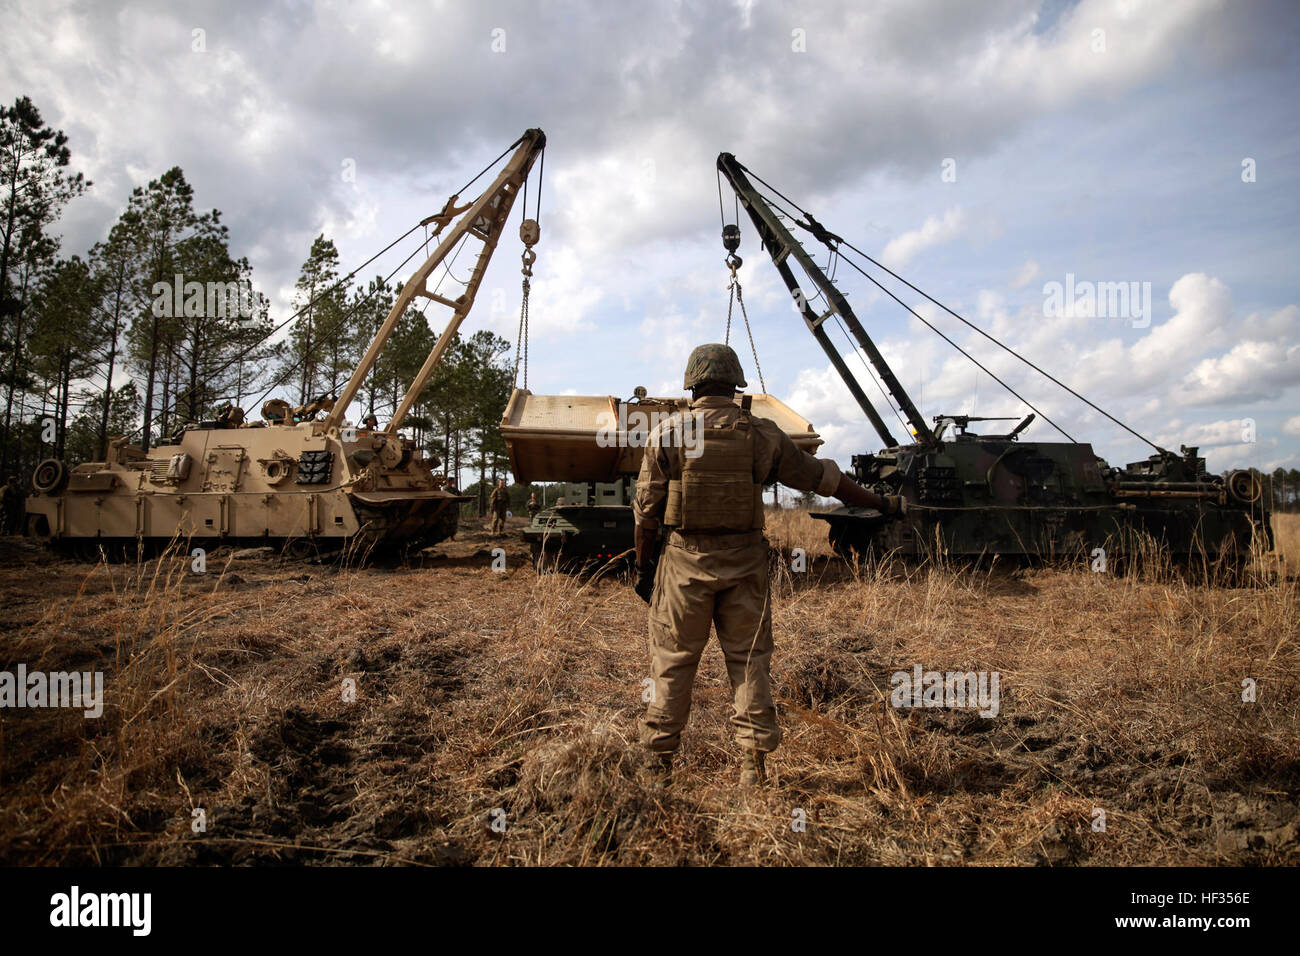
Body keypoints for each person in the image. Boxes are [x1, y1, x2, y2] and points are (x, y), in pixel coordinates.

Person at [632, 344, 901, 788]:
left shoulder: (668, 433)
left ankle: (657, 767)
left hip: (683, 564)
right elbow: (825, 478)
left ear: (692, 383)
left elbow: (645, 516)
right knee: (750, 662)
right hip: (745, 566)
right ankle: (752, 772)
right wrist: (881, 503)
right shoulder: (763, 435)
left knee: (673, 663)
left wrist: (645, 571)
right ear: (737, 385)